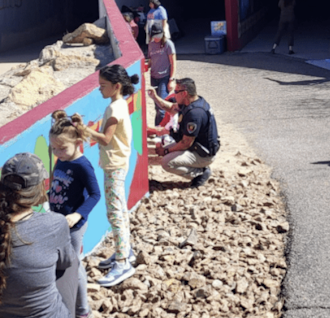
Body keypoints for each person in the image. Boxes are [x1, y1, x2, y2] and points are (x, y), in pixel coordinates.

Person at [0, 153, 77, 318]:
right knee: (70, 262)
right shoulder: (54, 224)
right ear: (40, 189)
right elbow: (66, 263)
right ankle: (82, 313)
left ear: (1, 189)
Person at [75, 65, 138, 286]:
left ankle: (122, 263)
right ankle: (126, 250)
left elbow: (105, 139)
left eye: (103, 86)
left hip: (114, 165)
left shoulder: (114, 109)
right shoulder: (120, 104)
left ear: (116, 86)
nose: (99, 90)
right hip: (119, 162)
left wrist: (83, 129)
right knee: (120, 209)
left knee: (115, 213)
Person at [48, 110, 102, 318]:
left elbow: (95, 195)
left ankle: (82, 310)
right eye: (54, 148)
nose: (57, 153)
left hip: (73, 226)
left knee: (74, 266)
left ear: (78, 142)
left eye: (62, 148)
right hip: (58, 221)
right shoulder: (62, 159)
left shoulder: (82, 166)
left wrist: (78, 215)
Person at [152, 78, 220, 188]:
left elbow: (185, 143)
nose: (174, 95)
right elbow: (170, 107)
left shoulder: (195, 113)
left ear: (184, 93)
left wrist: (166, 150)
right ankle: (199, 168)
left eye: (176, 92)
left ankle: (199, 173)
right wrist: (155, 97)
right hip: (196, 146)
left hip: (203, 154)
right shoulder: (192, 102)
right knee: (168, 151)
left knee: (166, 162)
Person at [147, 22, 177, 126]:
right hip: (153, 77)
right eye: (154, 36)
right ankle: (158, 128)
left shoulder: (168, 44)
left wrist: (171, 79)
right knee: (157, 106)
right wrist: (146, 66)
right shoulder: (151, 45)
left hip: (165, 77)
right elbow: (151, 60)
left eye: (158, 36)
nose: (156, 38)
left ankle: (162, 131)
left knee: (162, 106)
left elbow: (173, 62)